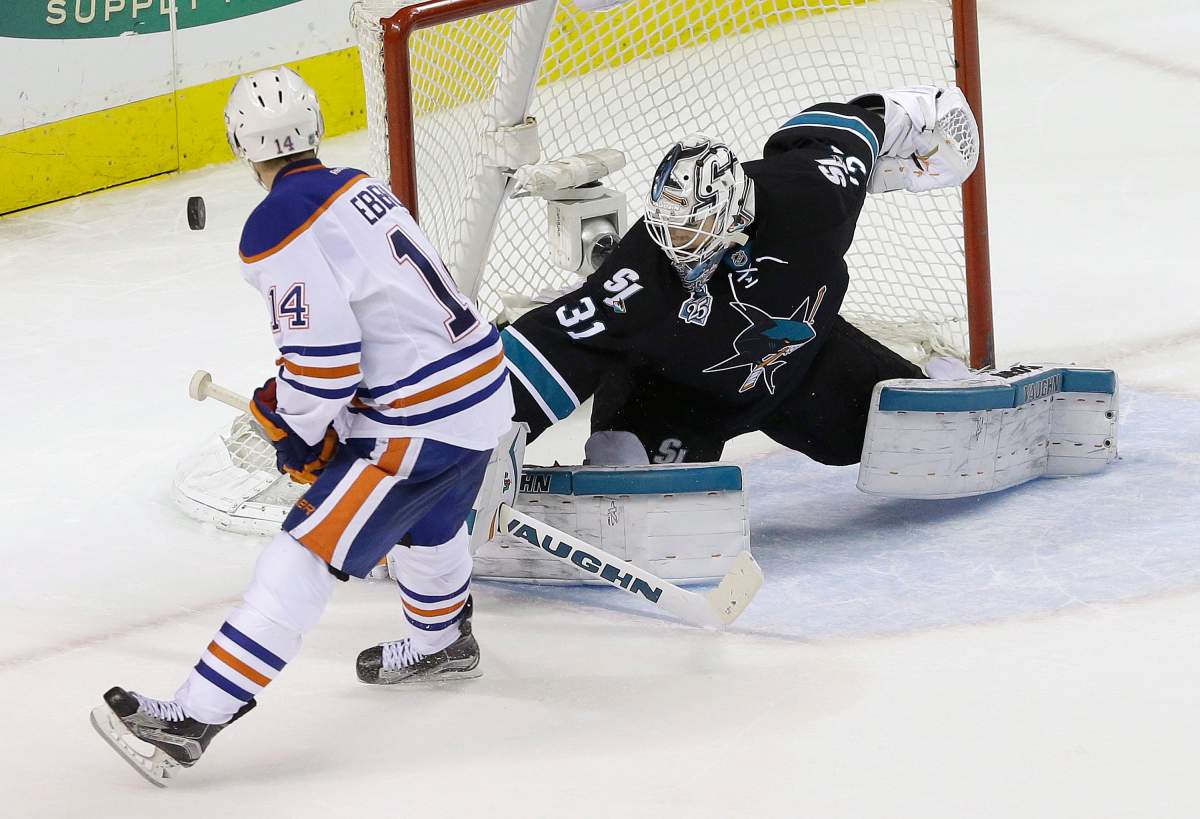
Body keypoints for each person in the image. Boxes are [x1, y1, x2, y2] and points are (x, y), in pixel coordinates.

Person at [90, 67, 514, 786]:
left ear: (240, 145)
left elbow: (324, 364)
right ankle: (443, 639)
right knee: (428, 525)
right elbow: (384, 329)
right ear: (314, 129)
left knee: (304, 552)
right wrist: (311, 417)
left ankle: (192, 719)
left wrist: (291, 426)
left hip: (418, 422)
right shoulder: (359, 186)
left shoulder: (276, 221)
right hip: (481, 391)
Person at [501, 87, 978, 465]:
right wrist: (477, 432)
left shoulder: (808, 198)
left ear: (735, 214)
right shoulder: (641, 271)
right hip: (678, 395)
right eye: (669, 227)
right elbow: (558, 342)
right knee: (625, 463)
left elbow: (844, 132)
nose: (678, 245)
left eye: (694, 229)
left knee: (907, 433)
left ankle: (945, 382)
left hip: (805, 361)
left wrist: (916, 116)